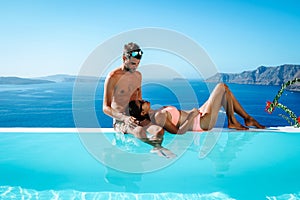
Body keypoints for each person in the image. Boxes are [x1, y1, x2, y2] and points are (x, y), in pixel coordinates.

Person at [102, 42, 176, 158]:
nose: (135, 67)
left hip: (137, 115)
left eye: (137, 64)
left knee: (158, 131)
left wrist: (148, 113)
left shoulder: (138, 75)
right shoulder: (113, 77)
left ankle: (157, 148)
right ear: (124, 58)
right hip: (122, 119)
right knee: (139, 131)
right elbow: (105, 108)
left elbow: (138, 98)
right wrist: (124, 118)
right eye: (132, 63)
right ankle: (158, 147)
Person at [128, 83, 266, 134]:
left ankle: (247, 119)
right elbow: (178, 132)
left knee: (226, 92)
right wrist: (191, 116)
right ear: (142, 111)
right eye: (141, 103)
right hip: (200, 123)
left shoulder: (154, 112)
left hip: (198, 115)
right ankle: (234, 121)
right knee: (221, 87)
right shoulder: (158, 117)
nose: (143, 99)